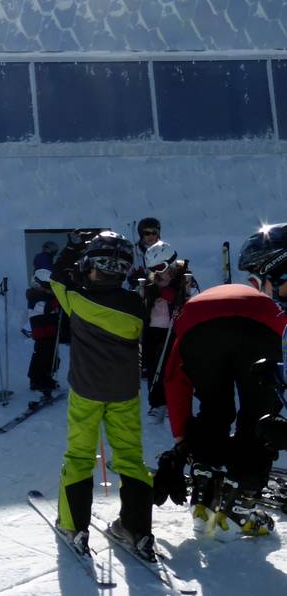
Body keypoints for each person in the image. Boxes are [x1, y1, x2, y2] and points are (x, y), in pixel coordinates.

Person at [155, 224, 287, 538]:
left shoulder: (205, 303)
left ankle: (204, 492)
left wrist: (181, 440)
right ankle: (241, 502)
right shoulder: (273, 308)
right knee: (258, 415)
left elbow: (175, 379)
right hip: (258, 322)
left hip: (196, 320)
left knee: (215, 408)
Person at [49, 229, 155, 561]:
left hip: (86, 391)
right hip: (124, 392)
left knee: (79, 457)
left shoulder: (77, 300)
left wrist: (72, 247)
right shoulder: (135, 305)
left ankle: (73, 526)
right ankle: (137, 530)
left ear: (91, 265)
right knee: (131, 458)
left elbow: (56, 277)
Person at [140, 241, 196, 423]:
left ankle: (173, 402)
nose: (157, 273)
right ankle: (157, 403)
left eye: (160, 268)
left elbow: (189, 301)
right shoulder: (152, 282)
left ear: (171, 264)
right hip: (153, 329)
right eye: (152, 269)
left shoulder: (183, 280)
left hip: (173, 330)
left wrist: (168, 292)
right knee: (153, 366)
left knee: (171, 367)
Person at [25, 268, 61, 395]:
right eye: (47, 286)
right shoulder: (34, 296)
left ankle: (47, 376)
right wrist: (59, 300)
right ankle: (36, 380)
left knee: (52, 355)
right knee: (41, 355)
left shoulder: (48, 296)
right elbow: (46, 308)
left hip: (51, 330)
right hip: (41, 331)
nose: (49, 289)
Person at [127, 217, 162, 287]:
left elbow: (170, 274)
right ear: (141, 234)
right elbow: (123, 279)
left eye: (154, 233)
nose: (151, 236)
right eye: (147, 233)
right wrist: (131, 279)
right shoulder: (132, 253)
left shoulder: (164, 251)